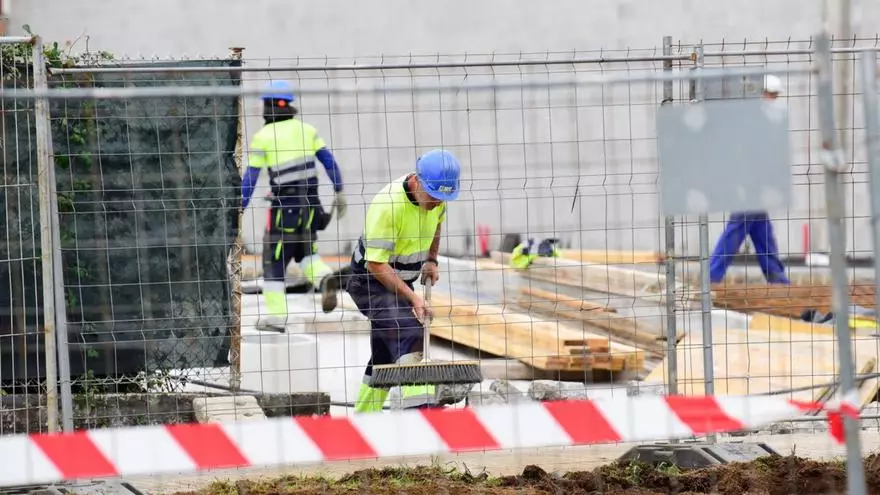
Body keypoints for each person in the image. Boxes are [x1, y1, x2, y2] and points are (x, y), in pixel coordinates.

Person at [347, 149, 461, 413]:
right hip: (370, 282)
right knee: (409, 334)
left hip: (400, 281)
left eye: (443, 197)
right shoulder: (387, 206)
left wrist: (431, 259)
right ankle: (421, 414)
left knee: (384, 356)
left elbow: (437, 223)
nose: (437, 202)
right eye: (433, 196)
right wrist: (413, 298)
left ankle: (363, 418)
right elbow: (376, 264)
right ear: (417, 181)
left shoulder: (436, 198)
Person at [242, 80, 349, 332]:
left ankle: (277, 319)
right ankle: (325, 280)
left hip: (283, 213)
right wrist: (339, 190)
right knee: (306, 255)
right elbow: (329, 161)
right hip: (311, 209)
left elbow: (250, 178)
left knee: (273, 263)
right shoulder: (307, 130)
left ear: (269, 107)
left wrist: (240, 207)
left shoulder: (263, 137)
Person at [708, 74, 791, 285]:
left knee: (762, 233)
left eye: (775, 95)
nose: (774, 99)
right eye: (770, 95)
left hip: (756, 186)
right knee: (736, 230)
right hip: (748, 187)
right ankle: (711, 277)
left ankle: (778, 281)